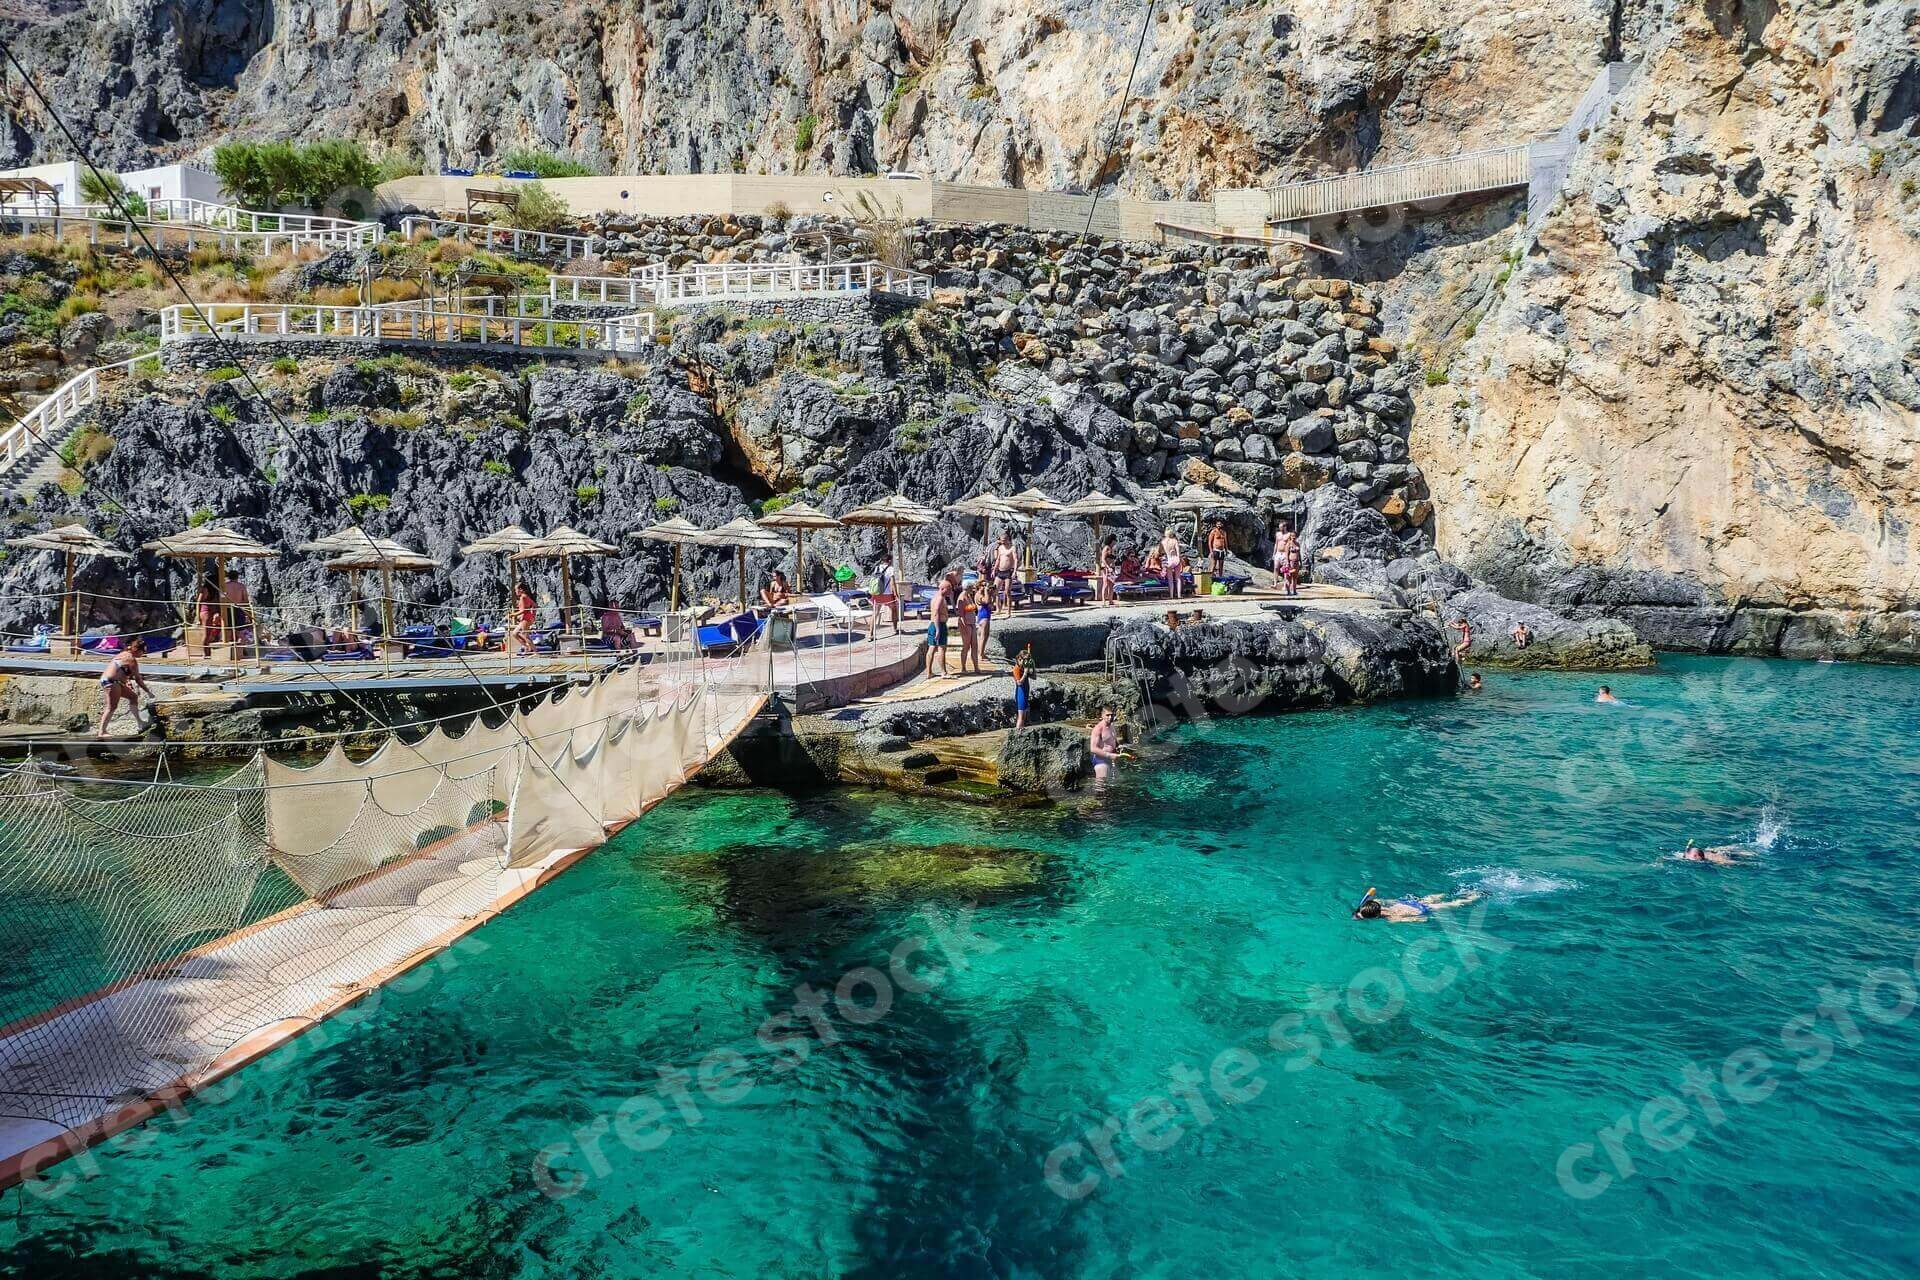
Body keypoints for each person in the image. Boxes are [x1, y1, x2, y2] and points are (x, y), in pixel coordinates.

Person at [96, 638, 155, 737]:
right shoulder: (131, 659)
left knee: (133, 697)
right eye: (143, 652)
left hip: (112, 681)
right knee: (111, 707)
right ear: (137, 650)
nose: (143, 654)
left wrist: (126, 682)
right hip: (112, 682)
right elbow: (138, 679)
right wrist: (148, 692)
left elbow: (122, 671)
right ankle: (102, 732)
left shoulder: (123, 654)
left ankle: (140, 723)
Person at [1352, 887, 1482, 922]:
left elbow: (1421, 919)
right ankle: (1458, 891)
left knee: (1455, 904)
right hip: (1410, 902)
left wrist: (1422, 919)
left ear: (1375, 917)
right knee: (1440, 896)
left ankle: (1477, 895)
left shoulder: (1392, 919)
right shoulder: (1378, 905)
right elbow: (1375, 897)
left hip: (1421, 909)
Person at [925, 576, 952, 678]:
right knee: (941, 648)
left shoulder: (936, 596)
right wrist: (938, 630)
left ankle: (929, 672)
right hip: (938, 625)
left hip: (933, 625)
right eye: (948, 590)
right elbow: (936, 613)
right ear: (942, 589)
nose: (950, 592)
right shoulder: (940, 598)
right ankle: (943, 672)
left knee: (931, 647)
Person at [1089, 706, 1121, 788]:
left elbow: (1112, 739)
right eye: (1107, 715)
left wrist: (1118, 746)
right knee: (1101, 787)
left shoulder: (1112, 726)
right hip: (1100, 760)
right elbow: (1093, 748)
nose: (1110, 717)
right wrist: (1109, 755)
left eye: (1112, 715)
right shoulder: (1098, 729)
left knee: (1111, 785)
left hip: (1110, 759)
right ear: (1102, 716)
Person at [871, 552, 899, 639]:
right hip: (887, 594)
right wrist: (896, 595)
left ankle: (870, 634)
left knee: (875, 613)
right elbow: (892, 584)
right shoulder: (890, 569)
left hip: (877, 593)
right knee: (894, 610)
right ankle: (895, 629)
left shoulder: (877, 568)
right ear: (889, 560)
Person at [222, 569, 253, 647]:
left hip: (228, 609)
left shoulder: (224, 586)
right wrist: (249, 613)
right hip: (239, 608)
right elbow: (245, 600)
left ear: (228, 577)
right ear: (237, 577)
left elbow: (222, 598)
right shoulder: (241, 586)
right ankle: (241, 650)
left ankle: (229, 650)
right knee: (240, 632)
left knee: (228, 631)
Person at [955, 583, 981, 674]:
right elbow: (960, 614)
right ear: (968, 588)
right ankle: (963, 668)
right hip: (965, 623)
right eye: (971, 587)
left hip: (972, 623)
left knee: (975, 645)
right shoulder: (962, 598)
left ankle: (976, 667)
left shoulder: (969, 596)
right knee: (966, 646)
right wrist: (964, 626)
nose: (973, 589)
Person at [992, 532, 1019, 614]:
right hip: (1000, 571)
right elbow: (998, 560)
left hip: (1008, 571)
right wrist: (994, 570)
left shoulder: (1012, 548)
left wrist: (1015, 571)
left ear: (1007, 539)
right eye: (1001, 540)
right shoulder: (1000, 548)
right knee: (995, 590)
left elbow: (1016, 559)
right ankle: (998, 609)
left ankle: (1009, 610)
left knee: (1007, 591)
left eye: (1004, 540)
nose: (1002, 542)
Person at [194, 577, 223, 651]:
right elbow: (198, 602)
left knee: (210, 633)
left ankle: (209, 651)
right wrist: (198, 618)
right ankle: (205, 652)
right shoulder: (205, 589)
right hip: (206, 612)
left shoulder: (216, 590)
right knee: (206, 634)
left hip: (212, 611)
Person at [508, 583, 536, 655]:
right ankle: (527, 647)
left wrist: (513, 615)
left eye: (516, 590)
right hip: (526, 617)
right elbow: (534, 605)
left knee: (525, 635)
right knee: (514, 633)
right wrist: (533, 615)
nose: (515, 591)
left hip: (526, 618)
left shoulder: (523, 597)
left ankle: (536, 652)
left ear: (520, 589)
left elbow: (523, 610)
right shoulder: (526, 596)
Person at [1273, 523, 1300, 596]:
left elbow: (1299, 554)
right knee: (1278, 569)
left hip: (1295, 562)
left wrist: (1300, 561)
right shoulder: (1287, 543)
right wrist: (1274, 553)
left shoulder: (1296, 543)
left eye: (1295, 536)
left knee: (1294, 577)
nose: (1293, 537)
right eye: (1292, 536)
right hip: (1285, 558)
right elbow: (1277, 544)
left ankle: (1293, 590)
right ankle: (1277, 585)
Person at [1011, 645, 1033, 730]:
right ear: (1019, 659)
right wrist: (1025, 673)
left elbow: (1034, 677)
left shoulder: (1023, 668)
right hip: (1021, 693)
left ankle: (1021, 731)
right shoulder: (1016, 669)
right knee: (1021, 716)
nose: (1025, 663)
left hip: (1026, 691)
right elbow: (1019, 683)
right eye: (1024, 660)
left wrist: (1032, 669)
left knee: (1024, 716)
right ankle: (1018, 732)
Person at [1160, 527, 1184, 600]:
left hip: (1169, 559)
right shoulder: (1174, 541)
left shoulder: (1163, 542)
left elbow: (1161, 551)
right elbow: (1178, 551)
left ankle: (1171, 595)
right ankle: (1179, 595)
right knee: (1178, 578)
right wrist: (1179, 559)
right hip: (1176, 558)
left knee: (1170, 579)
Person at [1096, 533, 1117, 604]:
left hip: (1112, 568)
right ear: (1111, 541)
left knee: (1111, 584)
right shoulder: (1106, 548)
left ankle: (1110, 600)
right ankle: (1104, 601)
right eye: (1114, 541)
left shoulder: (1112, 549)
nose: (1115, 542)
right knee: (1105, 584)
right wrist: (1108, 567)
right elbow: (1103, 559)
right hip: (1106, 568)